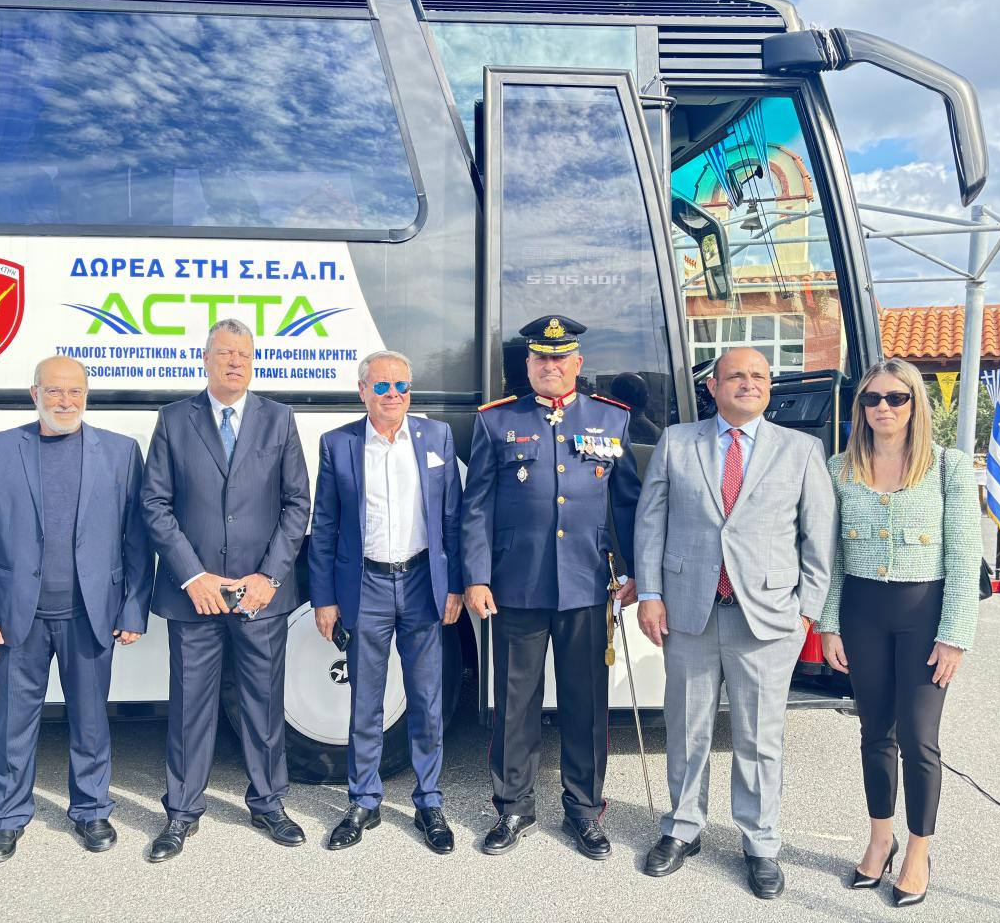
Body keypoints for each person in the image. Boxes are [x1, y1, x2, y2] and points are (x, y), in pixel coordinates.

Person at [633, 347, 835, 899]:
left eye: (759, 376)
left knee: (759, 738)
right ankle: (682, 828)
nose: (749, 383)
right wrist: (649, 593)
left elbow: (818, 537)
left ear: (770, 386)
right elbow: (650, 523)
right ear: (714, 386)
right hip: (689, 613)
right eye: (737, 376)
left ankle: (761, 843)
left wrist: (806, 611)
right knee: (687, 730)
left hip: (767, 620)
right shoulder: (677, 442)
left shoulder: (801, 450)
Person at [0, 356, 153, 864]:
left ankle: (91, 810)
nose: (65, 401)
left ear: (86, 395)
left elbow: (137, 540)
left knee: (91, 721)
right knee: (14, 724)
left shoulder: (121, 453)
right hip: (16, 618)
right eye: (54, 391)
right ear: (34, 394)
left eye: (75, 392)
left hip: (91, 614)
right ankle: (7, 818)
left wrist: (133, 609)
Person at [461, 315, 640, 860]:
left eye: (560, 358)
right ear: (529, 364)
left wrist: (635, 571)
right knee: (516, 703)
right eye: (541, 357)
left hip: (587, 582)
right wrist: (476, 576)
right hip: (517, 583)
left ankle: (584, 810)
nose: (550, 366)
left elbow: (628, 504)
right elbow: (476, 508)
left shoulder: (610, 418)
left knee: (586, 704)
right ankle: (513, 807)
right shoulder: (497, 420)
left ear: (577, 364)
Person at [141, 318, 311, 861]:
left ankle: (269, 803)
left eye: (244, 355)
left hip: (260, 595)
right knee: (191, 706)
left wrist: (269, 577)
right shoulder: (174, 420)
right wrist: (193, 576)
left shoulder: (279, 419)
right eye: (225, 353)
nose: (235, 362)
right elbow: (155, 504)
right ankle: (181, 811)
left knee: (264, 703)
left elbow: (297, 505)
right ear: (206, 359)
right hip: (197, 595)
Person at [818, 358, 981, 908]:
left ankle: (918, 851)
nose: (882, 407)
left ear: (915, 403)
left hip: (924, 615)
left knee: (919, 736)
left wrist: (954, 635)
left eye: (895, 397)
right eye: (871, 398)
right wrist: (830, 624)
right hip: (862, 612)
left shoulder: (947, 466)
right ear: (860, 407)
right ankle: (879, 839)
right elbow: (834, 558)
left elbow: (964, 557)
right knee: (874, 732)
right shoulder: (841, 468)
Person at [307, 351, 464, 853]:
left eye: (401, 385)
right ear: (363, 391)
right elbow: (325, 527)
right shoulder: (338, 444)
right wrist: (324, 599)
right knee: (366, 701)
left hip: (421, 582)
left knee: (426, 700)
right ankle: (364, 801)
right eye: (381, 386)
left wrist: (455, 585)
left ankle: (429, 801)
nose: (393, 394)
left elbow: (453, 518)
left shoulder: (436, 437)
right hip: (366, 586)